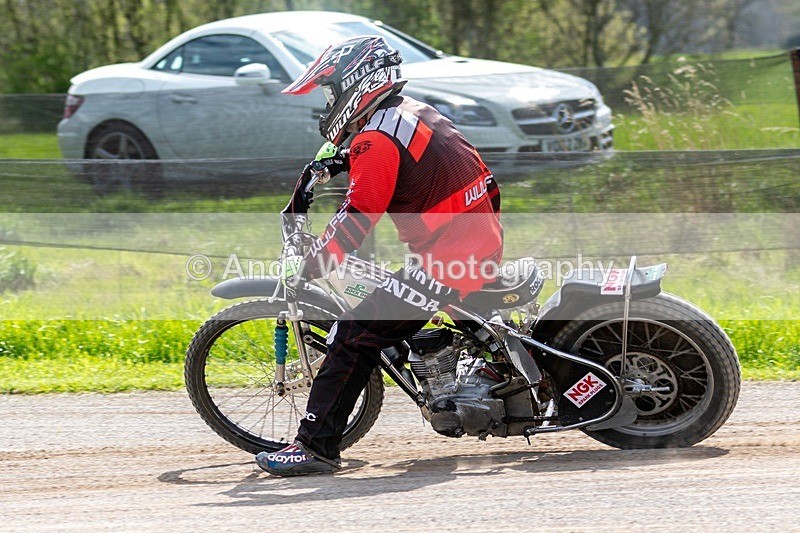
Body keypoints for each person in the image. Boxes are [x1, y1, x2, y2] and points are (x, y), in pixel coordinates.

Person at [256, 36, 503, 476]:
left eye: (330, 93)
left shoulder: (375, 139)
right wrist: (343, 159)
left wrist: (311, 264)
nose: (328, 104)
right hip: (472, 240)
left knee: (353, 335)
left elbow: (355, 220)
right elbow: (404, 160)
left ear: (356, 84)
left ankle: (314, 447)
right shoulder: (410, 112)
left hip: (451, 257)